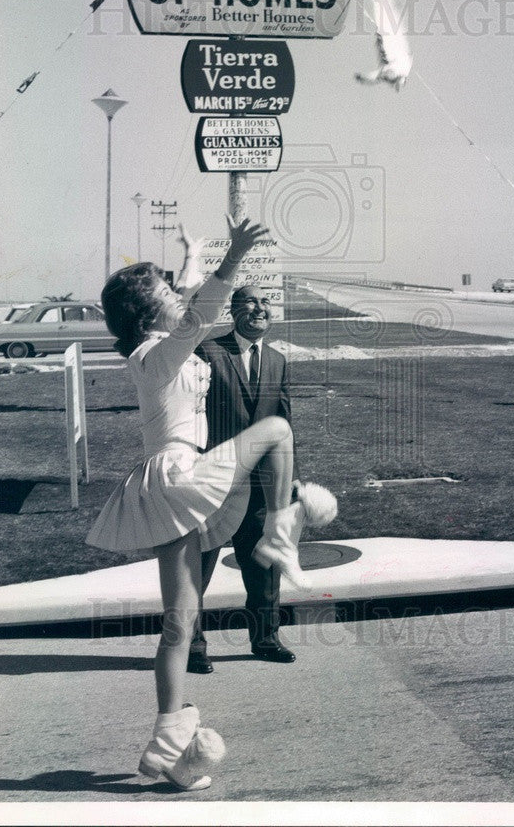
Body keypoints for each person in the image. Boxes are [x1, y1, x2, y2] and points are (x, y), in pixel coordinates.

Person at [85, 217, 336, 792]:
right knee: (274, 430)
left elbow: (190, 300)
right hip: (180, 473)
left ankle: (168, 746)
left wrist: (196, 254)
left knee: (178, 622)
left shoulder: (157, 345)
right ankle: (279, 532)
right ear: (151, 315)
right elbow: (198, 312)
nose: (180, 295)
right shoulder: (158, 355)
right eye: (167, 293)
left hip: (175, 481)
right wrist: (235, 258)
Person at [188, 285, 299, 674]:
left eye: (266, 302)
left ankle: (266, 638)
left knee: (264, 563)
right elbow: (190, 414)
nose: (260, 308)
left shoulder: (278, 360)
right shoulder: (208, 351)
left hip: (259, 484)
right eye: (251, 301)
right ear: (233, 310)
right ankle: (192, 646)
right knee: (197, 567)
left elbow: (282, 424)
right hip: (211, 482)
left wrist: (291, 479)